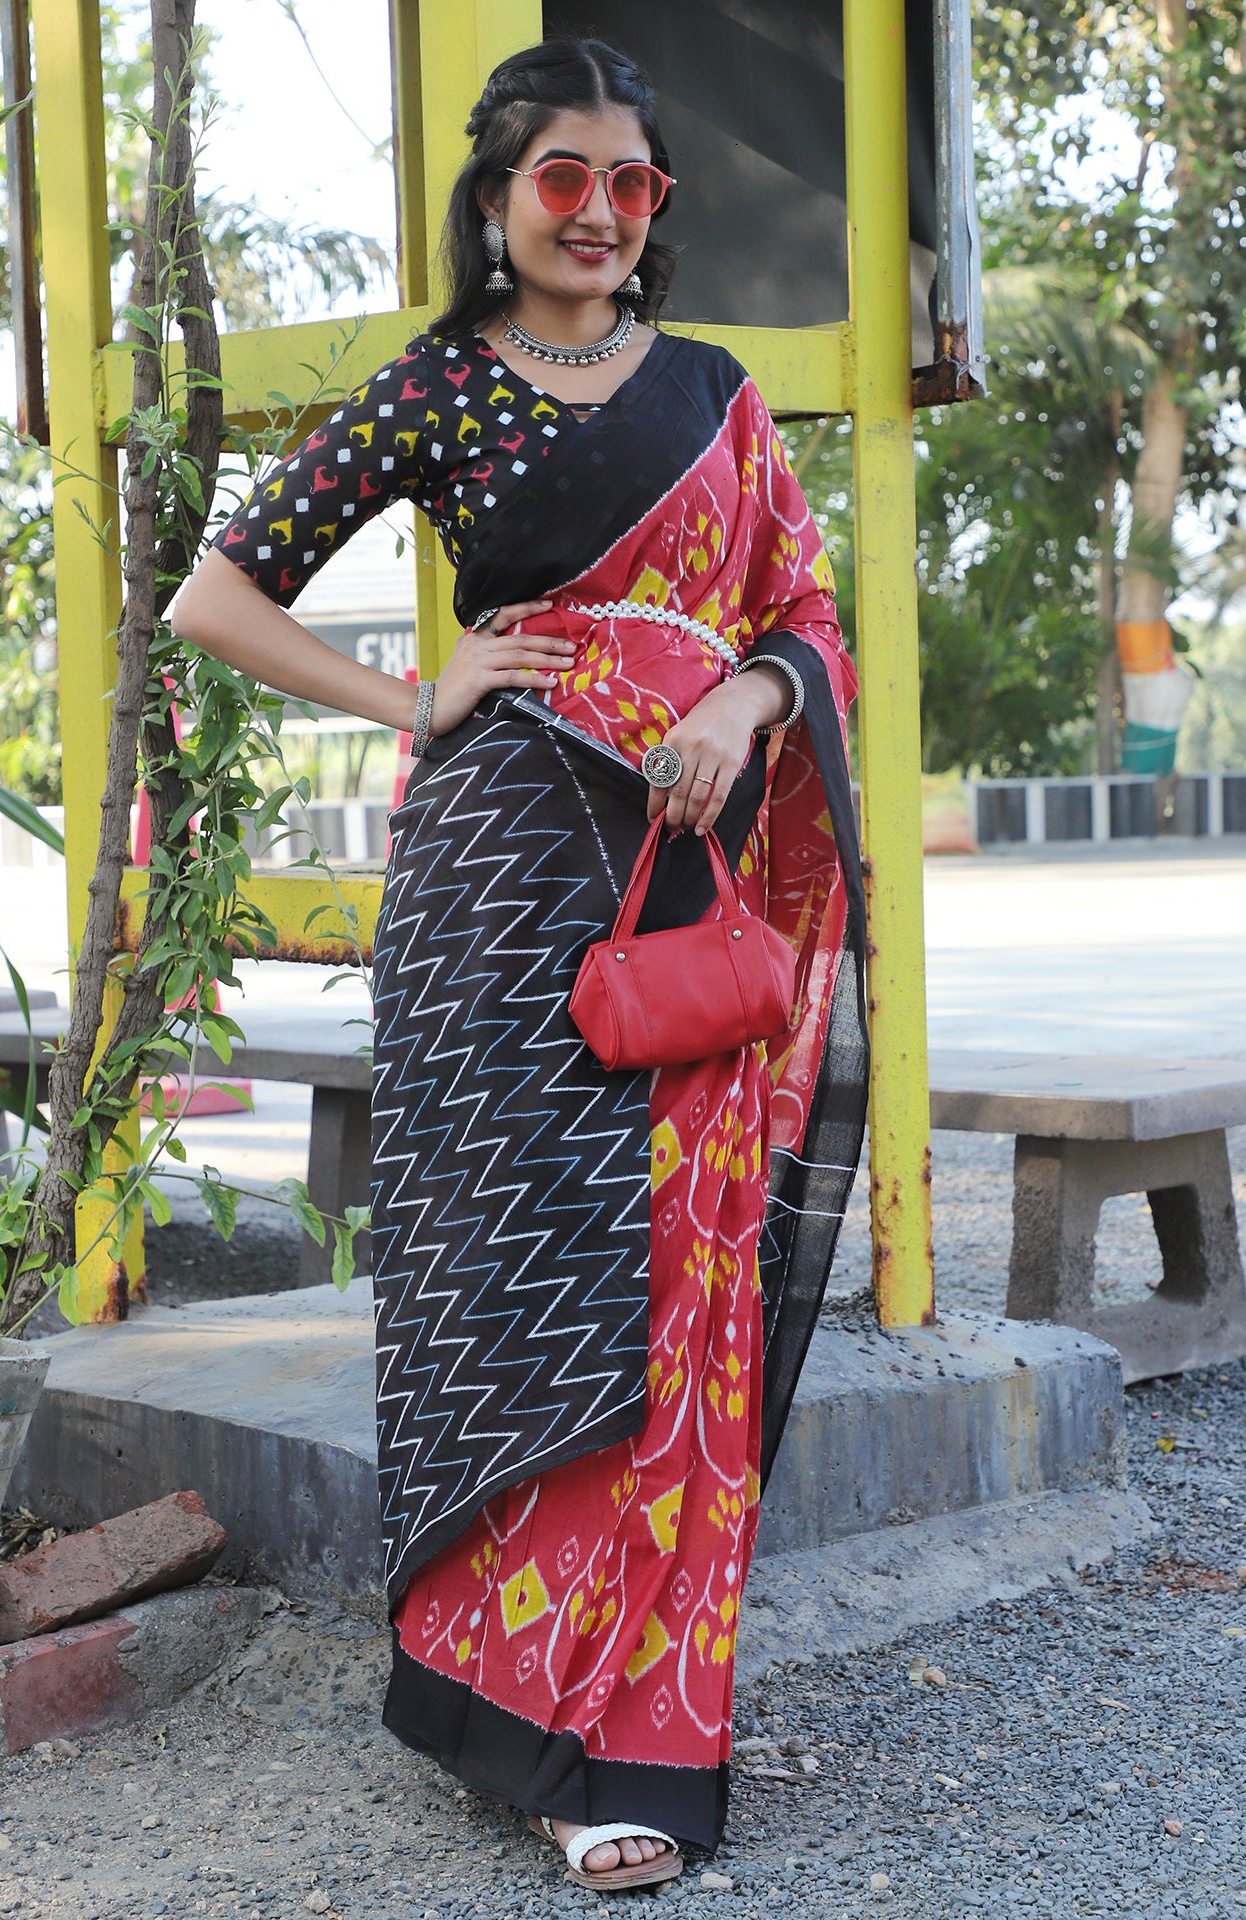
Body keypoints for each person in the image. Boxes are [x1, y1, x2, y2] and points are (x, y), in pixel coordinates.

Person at [173, 35, 867, 1895]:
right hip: (496, 886)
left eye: (632, 185)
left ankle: (645, 1724)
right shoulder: (436, 392)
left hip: (680, 873)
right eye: (563, 178)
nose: (599, 214)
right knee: (518, 1289)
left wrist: (742, 688)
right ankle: (523, 1720)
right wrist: (413, 689)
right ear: (497, 199)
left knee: (683, 1292)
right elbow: (214, 592)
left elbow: (804, 611)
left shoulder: (720, 399)